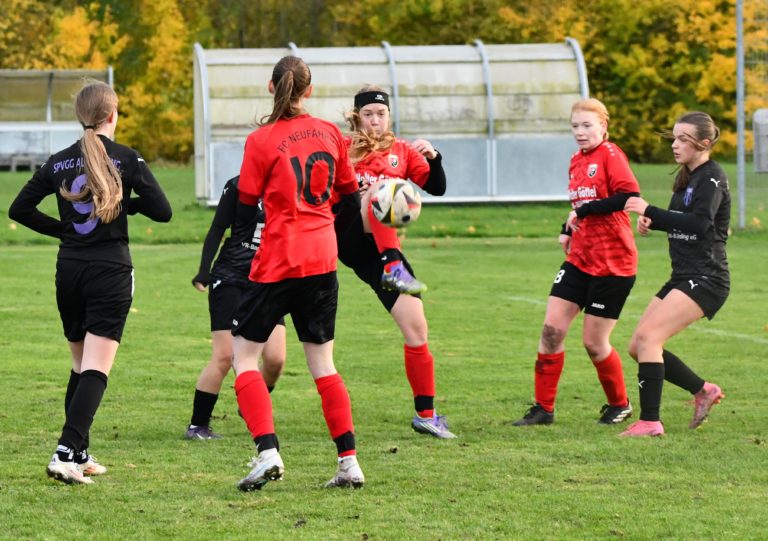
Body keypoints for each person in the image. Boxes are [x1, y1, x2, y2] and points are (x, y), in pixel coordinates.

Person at [8, 81, 172, 484]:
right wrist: (128, 206)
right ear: (113, 115)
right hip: (109, 271)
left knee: (80, 365)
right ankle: (64, 453)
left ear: (80, 116)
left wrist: (63, 230)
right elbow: (163, 211)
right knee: (96, 368)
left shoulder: (58, 161)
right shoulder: (127, 158)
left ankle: (79, 452)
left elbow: (19, 209)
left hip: (70, 271)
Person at [230, 55, 364, 491]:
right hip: (322, 259)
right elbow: (349, 198)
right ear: (310, 90)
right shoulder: (330, 133)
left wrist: (239, 253)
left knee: (243, 357)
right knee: (323, 363)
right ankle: (349, 463)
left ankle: (267, 453)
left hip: (278, 260)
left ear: (272, 88)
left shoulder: (261, 140)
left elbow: (244, 208)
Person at [333, 85, 456, 439]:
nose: (375, 120)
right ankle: (392, 265)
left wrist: (434, 157)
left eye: (381, 114)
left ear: (389, 116)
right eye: (368, 114)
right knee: (381, 190)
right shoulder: (342, 147)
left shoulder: (402, 150)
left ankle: (426, 415)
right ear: (357, 117)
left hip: (380, 247)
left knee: (416, 327)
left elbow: (437, 188)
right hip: (347, 232)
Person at [513, 98, 638, 427]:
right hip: (580, 259)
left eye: (587, 125)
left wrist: (583, 211)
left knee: (594, 343)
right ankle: (543, 409)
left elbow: (628, 197)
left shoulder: (611, 154)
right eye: (575, 126)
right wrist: (567, 227)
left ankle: (620, 404)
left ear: (603, 126)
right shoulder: (575, 160)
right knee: (551, 330)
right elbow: (580, 204)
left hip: (614, 264)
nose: (580, 132)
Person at [621, 111, 728, 437]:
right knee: (638, 346)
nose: (675, 144)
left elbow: (700, 224)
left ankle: (650, 422)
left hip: (707, 277)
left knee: (649, 339)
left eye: (683, 139)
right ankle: (703, 390)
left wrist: (650, 210)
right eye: (674, 138)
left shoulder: (711, 178)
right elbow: (681, 219)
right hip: (682, 275)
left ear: (703, 143)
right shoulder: (686, 178)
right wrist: (653, 221)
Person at [186, 176, 286, 440]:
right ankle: (198, 425)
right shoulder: (237, 185)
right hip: (231, 276)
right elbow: (217, 228)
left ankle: (249, 400)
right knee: (225, 355)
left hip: (268, 280)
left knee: (276, 360)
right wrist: (204, 271)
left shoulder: (290, 184)